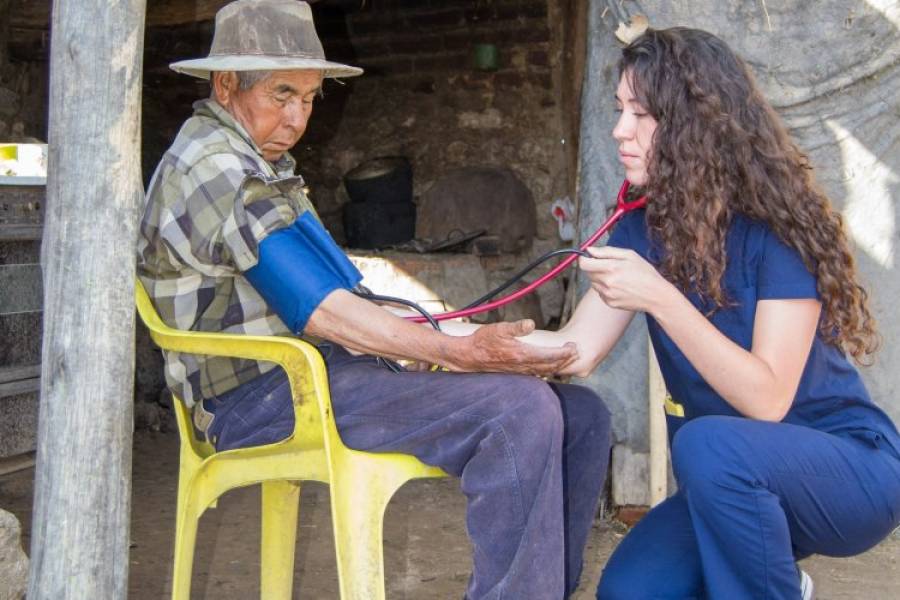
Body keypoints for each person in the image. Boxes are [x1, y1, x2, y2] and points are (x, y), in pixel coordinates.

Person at [137, 1, 611, 598]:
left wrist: (435, 339)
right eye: (282, 94)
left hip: (315, 373)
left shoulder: (260, 161)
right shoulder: (217, 166)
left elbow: (342, 293)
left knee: (582, 417)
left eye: (309, 98)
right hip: (256, 397)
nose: (296, 117)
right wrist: (457, 353)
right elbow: (322, 309)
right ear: (226, 83)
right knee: (518, 410)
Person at [525, 27, 900, 599]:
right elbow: (576, 348)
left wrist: (659, 296)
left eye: (641, 114)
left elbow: (767, 400)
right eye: (620, 109)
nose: (619, 130)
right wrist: (456, 343)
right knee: (629, 593)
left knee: (705, 444)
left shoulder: (776, 235)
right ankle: (773, 574)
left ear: (693, 126)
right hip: (733, 482)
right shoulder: (638, 229)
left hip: (849, 472)